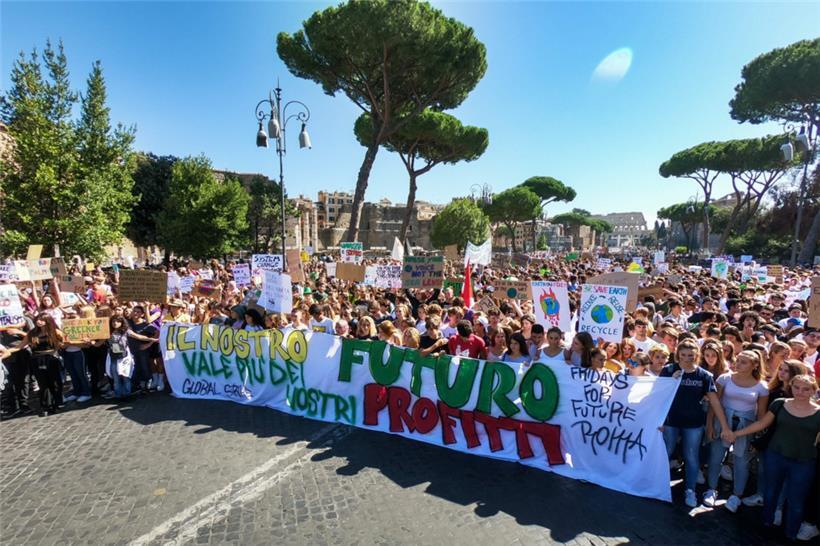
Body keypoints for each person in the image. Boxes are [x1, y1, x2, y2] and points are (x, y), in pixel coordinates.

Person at [728, 375, 820, 541]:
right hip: (775, 456)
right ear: (791, 387)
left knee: (796, 501)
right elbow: (762, 424)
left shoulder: (818, 412)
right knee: (770, 494)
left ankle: (791, 534)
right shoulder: (779, 404)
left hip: (804, 462)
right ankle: (766, 524)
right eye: (797, 387)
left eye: (806, 389)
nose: (800, 392)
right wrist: (736, 433)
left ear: (814, 391)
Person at [660, 339, 732, 508]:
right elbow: (657, 395)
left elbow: (715, 402)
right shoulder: (668, 370)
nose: (687, 358)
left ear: (697, 355)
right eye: (683, 355)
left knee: (691, 456)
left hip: (693, 423)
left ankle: (690, 490)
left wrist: (725, 426)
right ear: (677, 355)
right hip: (670, 421)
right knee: (666, 452)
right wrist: (670, 381)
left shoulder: (704, 375)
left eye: (691, 355)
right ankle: (657, 483)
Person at [703, 350, 769, 512]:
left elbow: (761, 414)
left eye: (743, 362)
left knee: (741, 460)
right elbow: (714, 403)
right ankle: (711, 489)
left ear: (754, 365)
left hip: (745, 426)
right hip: (722, 420)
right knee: (716, 456)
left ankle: (736, 495)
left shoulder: (761, 386)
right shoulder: (725, 378)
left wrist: (757, 437)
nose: (738, 364)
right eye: (737, 360)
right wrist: (710, 424)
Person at [9, 314, 65, 415]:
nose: (39, 321)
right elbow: (20, 346)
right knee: (43, 384)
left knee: (55, 382)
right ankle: (46, 406)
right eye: (38, 319)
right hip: (37, 359)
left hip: (51, 358)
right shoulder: (32, 333)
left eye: (42, 320)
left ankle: (57, 402)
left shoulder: (55, 332)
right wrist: (7, 351)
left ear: (48, 321)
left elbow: (66, 341)